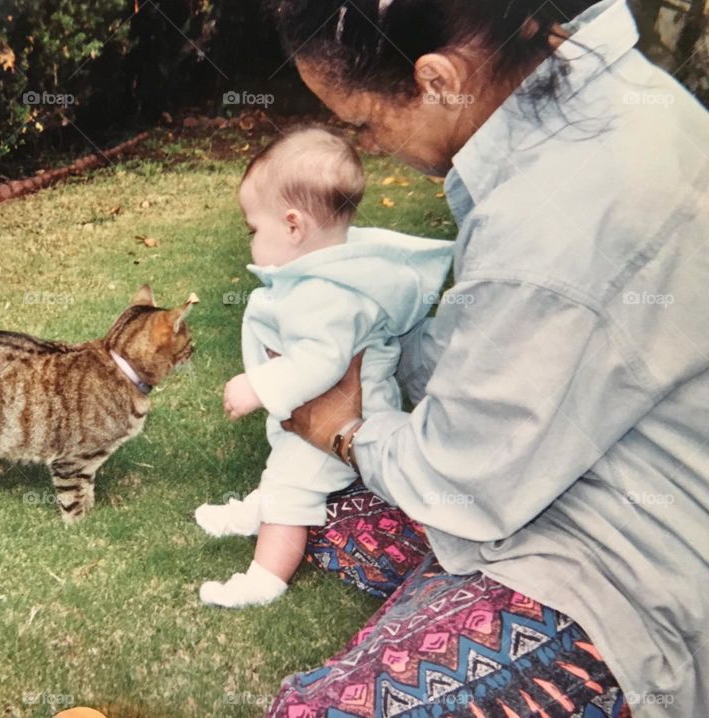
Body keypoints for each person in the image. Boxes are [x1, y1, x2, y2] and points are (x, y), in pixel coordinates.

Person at [258, 0, 709, 716]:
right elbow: (481, 345)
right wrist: (372, 338)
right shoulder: (579, 109)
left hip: (639, 562)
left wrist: (342, 429)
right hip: (566, 465)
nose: (368, 145)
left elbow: (458, 471)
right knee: (325, 520)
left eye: (365, 123)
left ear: (438, 79)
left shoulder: (559, 215)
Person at [195, 128, 452, 608]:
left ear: (293, 226)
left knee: (294, 488)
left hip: (350, 418)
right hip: (335, 410)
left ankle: (264, 579)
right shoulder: (331, 273)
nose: (251, 240)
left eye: (254, 229)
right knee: (287, 462)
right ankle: (257, 508)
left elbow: (322, 361)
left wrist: (259, 385)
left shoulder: (325, 294)